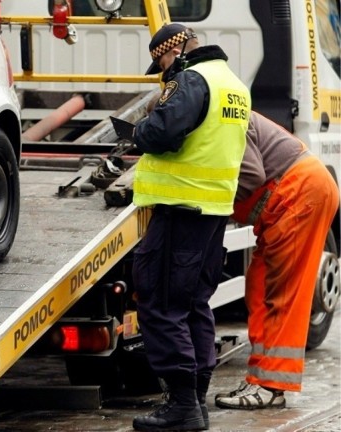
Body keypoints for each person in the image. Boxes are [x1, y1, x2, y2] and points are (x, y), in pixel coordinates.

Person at [129, 23, 250, 431]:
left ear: (176, 49)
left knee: (162, 303)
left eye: (161, 61)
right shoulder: (232, 83)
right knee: (194, 304)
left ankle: (181, 406)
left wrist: (138, 133)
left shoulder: (192, 79)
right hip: (212, 211)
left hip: (180, 209)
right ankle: (194, 402)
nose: (162, 71)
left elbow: (164, 131)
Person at [214, 111, 339, 410]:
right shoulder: (223, 112)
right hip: (298, 192)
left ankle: (271, 387)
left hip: (298, 194)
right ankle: (261, 380)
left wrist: (213, 203)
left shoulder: (221, 121)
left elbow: (251, 177)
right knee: (260, 286)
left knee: (281, 294)